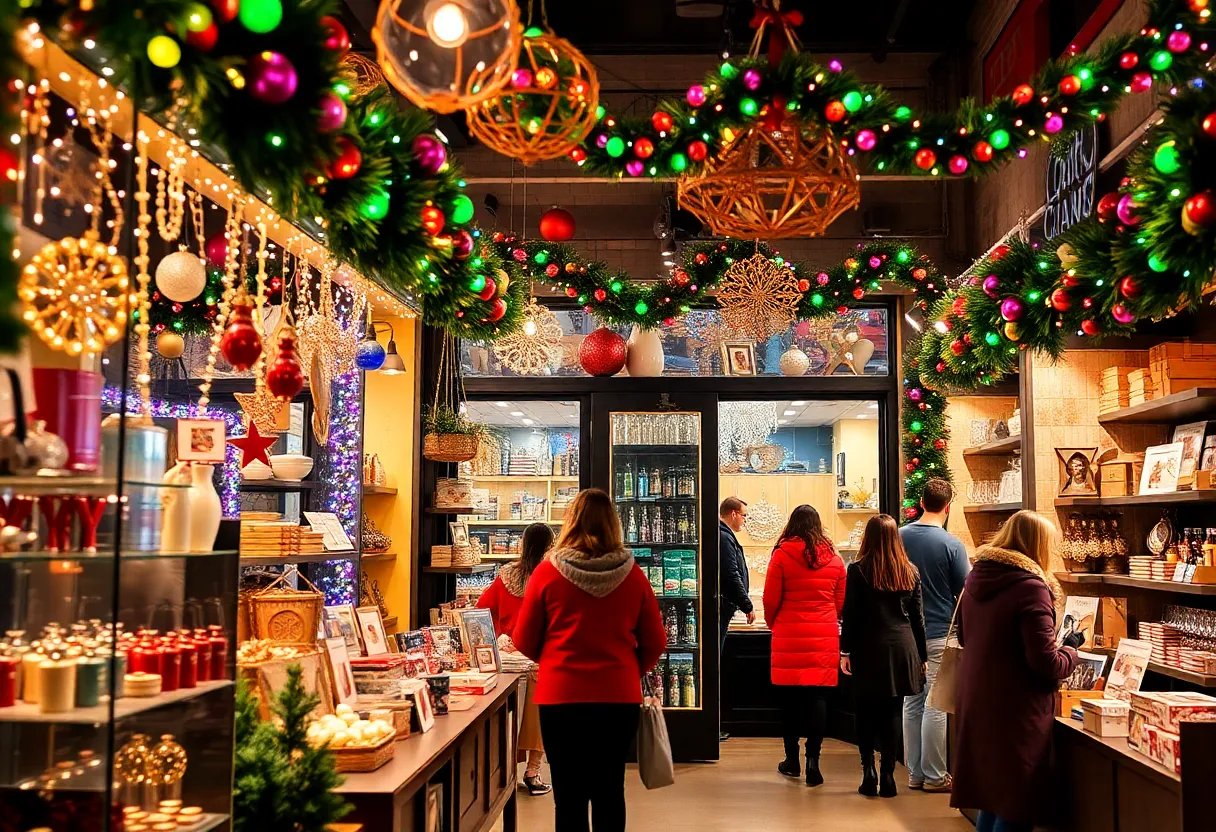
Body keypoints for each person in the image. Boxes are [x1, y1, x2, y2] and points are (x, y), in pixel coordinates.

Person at [514, 489, 666, 832]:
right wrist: (626, 669)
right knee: (610, 790)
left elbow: (524, 639)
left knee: (568, 796)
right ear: (614, 524)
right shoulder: (633, 575)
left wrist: (555, 660)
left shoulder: (547, 573)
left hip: (560, 698)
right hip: (617, 698)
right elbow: (656, 642)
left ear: (571, 521)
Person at [951, 511, 1085, 832]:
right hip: (1016, 713)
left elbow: (965, 636)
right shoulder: (1031, 588)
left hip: (979, 702)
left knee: (993, 798)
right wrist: (1072, 649)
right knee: (1016, 805)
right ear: (1036, 545)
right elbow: (1045, 663)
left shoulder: (976, 579)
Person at [840, 514, 927, 799]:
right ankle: (888, 774)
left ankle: (869, 772)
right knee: (893, 711)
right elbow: (918, 619)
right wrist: (922, 657)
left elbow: (850, 615)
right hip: (902, 647)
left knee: (864, 711)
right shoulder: (910, 571)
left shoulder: (858, 570)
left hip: (868, 647)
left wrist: (845, 651)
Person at [762, 504, 846, 786]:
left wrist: (775, 624)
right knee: (818, 700)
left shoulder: (781, 556)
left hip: (788, 634)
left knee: (789, 704)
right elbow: (840, 604)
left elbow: (770, 599)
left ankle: (792, 760)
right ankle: (814, 761)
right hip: (823, 637)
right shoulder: (834, 560)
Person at [898, 478, 969, 792]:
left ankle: (914, 772)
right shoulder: (952, 545)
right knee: (935, 704)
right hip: (939, 631)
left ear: (922, 503)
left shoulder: (898, 537)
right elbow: (964, 592)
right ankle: (936, 776)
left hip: (904, 633)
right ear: (948, 507)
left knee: (911, 702)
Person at [476, 522, 553, 796]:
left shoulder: (505, 575)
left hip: (507, 659)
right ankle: (533, 771)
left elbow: (480, 612)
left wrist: (498, 637)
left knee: (506, 716)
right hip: (539, 659)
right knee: (540, 715)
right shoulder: (552, 577)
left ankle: (504, 769)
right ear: (549, 546)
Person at [718, 497, 754, 742]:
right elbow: (730, 575)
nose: (744, 520)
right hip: (722, 610)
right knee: (714, 667)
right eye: (743, 515)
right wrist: (747, 605)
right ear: (732, 514)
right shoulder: (723, 536)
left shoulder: (724, 535)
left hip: (725, 609)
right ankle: (711, 724)